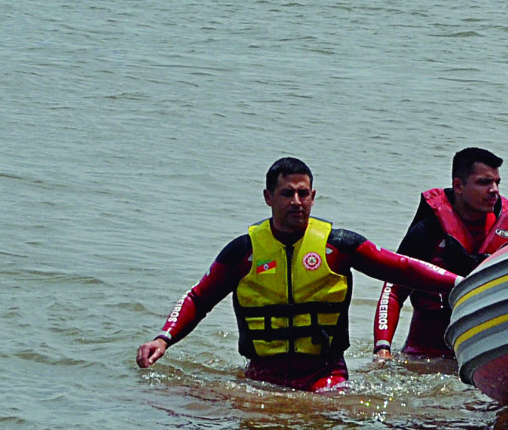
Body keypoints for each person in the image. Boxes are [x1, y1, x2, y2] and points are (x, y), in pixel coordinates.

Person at [137, 157, 458, 392]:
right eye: (287, 193)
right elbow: (198, 297)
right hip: (261, 376)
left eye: (303, 194)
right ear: (268, 197)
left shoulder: (339, 246)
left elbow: (402, 268)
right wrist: (164, 338)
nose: (296, 202)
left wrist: (460, 283)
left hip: (326, 374)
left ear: (313, 196)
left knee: (333, 419)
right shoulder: (243, 252)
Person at [374, 146, 508, 360]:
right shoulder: (428, 231)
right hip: (422, 356)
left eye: (497, 182)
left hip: (479, 357)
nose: (494, 190)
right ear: (458, 186)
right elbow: (393, 291)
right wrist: (382, 348)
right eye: (484, 182)